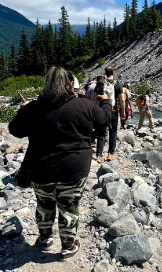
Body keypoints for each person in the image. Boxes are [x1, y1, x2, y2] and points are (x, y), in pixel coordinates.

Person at [9, 67, 111, 259]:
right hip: (74, 169)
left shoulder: (33, 108)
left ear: (46, 84)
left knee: (44, 205)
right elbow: (104, 121)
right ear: (70, 85)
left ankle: (45, 238)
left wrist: (22, 112)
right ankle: (68, 246)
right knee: (69, 207)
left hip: (41, 169)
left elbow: (15, 130)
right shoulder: (84, 105)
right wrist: (105, 102)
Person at [96, 66, 123, 163]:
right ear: (114, 73)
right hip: (114, 111)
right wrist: (122, 112)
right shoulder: (118, 84)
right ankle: (110, 154)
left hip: (102, 110)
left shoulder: (101, 83)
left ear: (105, 73)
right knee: (113, 132)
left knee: (101, 132)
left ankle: (99, 155)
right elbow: (122, 100)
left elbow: (96, 97)